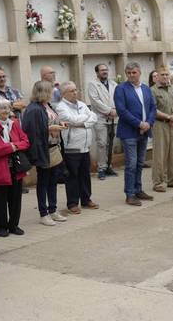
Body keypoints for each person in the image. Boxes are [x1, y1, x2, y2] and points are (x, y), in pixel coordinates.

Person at [0, 97, 30, 238]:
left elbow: (25, 142)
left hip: (15, 167)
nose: (6, 111)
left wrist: (13, 146)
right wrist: (10, 147)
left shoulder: (14, 124)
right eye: (2, 108)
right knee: (0, 200)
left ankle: (14, 225)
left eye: (7, 108)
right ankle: (1, 227)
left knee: (16, 199)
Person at [22, 80, 69, 225]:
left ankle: (53, 210)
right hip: (43, 150)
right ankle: (44, 213)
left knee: (53, 181)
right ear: (44, 92)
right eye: (50, 90)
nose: (53, 93)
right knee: (43, 182)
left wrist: (59, 124)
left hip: (54, 148)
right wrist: (51, 129)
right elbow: (31, 132)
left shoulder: (47, 105)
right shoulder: (33, 109)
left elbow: (50, 121)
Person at [114, 62, 156, 207]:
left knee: (139, 163)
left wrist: (148, 123)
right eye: (129, 73)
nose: (131, 75)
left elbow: (152, 107)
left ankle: (138, 190)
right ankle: (130, 194)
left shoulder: (145, 88)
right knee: (131, 164)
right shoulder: (121, 89)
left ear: (139, 73)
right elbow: (122, 111)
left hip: (144, 131)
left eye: (134, 73)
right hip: (130, 132)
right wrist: (139, 124)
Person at [55, 81, 99, 213]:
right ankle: (73, 203)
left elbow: (94, 117)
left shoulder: (82, 104)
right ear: (63, 94)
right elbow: (70, 120)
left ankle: (86, 199)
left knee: (85, 174)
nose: (75, 93)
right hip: (71, 147)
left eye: (76, 90)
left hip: (85, 146)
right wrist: (86, 119)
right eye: (71, 91)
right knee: (72, 176)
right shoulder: (60, 107)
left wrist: (82, 122)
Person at [150, 69, 173, 192]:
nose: (165, 77)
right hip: (161, 124)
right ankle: (159, 182)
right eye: (162, 75)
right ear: (157, 77)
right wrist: (169, 117)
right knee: (160, 154)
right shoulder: (153, 91)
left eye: (166, 75)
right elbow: (153, 109)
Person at [87, 64, 118, 180]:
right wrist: (109, 111)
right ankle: (101, 168)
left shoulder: (114, 84)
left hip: (114, 117)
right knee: (102, 143)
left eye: (106, 70)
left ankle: (109, 166)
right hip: (101, 118)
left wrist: (116, 111)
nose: (105, 72)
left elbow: (118, 99)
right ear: (97, 72)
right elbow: (95, 101)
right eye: (102, 70)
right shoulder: (93, 84)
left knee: (111, 144)